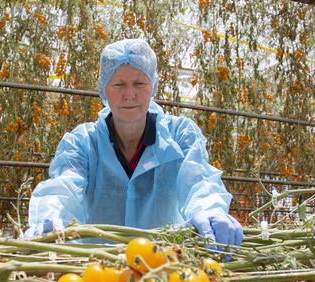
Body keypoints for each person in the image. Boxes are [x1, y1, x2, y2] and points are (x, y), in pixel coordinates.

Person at [24, 38, 243, 249]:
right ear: (103, 89)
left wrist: (208, 210)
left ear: (153, 86)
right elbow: (65, 186)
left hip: (166, 266)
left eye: (139, 83)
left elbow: (199, 182)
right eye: (119, 84)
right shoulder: (83, 144)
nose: (129, 94)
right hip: (98, 271)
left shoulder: (179, 136)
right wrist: (51, 217)